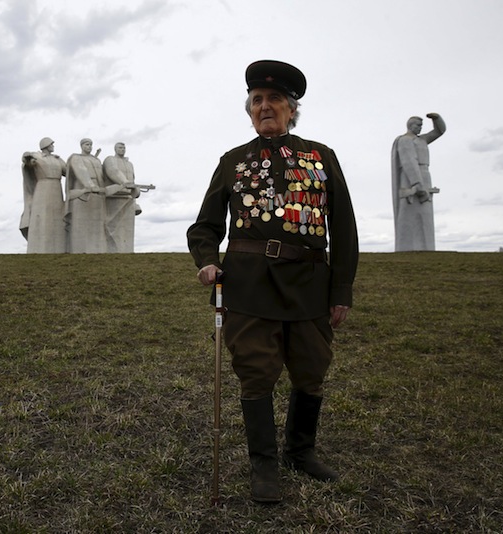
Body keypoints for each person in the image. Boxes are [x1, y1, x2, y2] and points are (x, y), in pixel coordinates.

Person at [187, 60, 358, 504]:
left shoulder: (321, 156)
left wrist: (341, 291)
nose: (265, 107)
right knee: (256, 374)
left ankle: (301, 452)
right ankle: (264, 464)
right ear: (249, 112)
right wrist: (207, 262)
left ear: (291, 109)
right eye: (257, 101)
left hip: (309, 283)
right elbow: (204, 228)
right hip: (247, 285)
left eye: (275, 100)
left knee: (311, 369)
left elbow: (345, 229)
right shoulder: (232, 161)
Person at [391, 113, 446, 251]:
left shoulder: (422, 140)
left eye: (422, 126)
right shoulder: (405, 140)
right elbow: (408, 161)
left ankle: (426, 247)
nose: (420, 128)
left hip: (425, 174)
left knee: (425, 214)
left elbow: (440, 131)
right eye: (418, 125)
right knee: (408, 214)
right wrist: (417, 184)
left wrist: (436, 119)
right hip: (411, 178)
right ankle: (406, 247)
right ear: (410, 125)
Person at [20, 137, 67, 253]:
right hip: (43, 188)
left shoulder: (58, 159)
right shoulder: (37, 156)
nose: (53, 146)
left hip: (56, 187)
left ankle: (59, 247)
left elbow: (68, 171)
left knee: (57, 217)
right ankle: (39, 246)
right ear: (45, 145)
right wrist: (30, 159)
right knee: (42, 216)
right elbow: (26, 158)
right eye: (51, 144)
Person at [65, 138, 108, 253]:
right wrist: (89, 185)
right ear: (82, 146)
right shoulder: (76, 157)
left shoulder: (96, 160)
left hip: (98, 192)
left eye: (91, 145)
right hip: (82, 191)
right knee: (80, 224)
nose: (89, 147)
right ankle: (79, 250)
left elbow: (102, 176)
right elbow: (81, 171)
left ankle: (98, 250)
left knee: (97, 224)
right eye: (87, 144)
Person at [102, 142, 139, 253]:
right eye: (120, 147)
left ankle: (127, 251)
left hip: (128, 197)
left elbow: (132, 180)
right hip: (115, 197)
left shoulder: (129, 164)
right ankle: (112, 251)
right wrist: (125, 183)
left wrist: (134, 191)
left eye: (124, 148)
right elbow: (113, 172)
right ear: (115, 149)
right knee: (112, 227)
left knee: (127, 230)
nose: (122, 149)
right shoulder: (110, 160)